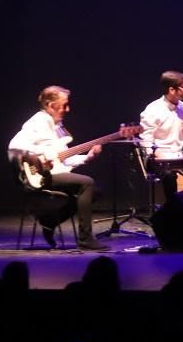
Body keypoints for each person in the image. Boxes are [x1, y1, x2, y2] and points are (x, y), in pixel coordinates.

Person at [8, 85, 110, 251]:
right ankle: (85, 239)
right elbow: (14, 146)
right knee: (87, 183)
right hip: (38, 175)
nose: (67, 109)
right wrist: (41, 156)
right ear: (49, 105)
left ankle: (49, 221)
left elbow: (62, 159)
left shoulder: (58, 128)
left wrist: (88, 157)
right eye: (64, 105)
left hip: (53, 173)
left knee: (95, 191)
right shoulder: (37, 122)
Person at [139, 71, 183, 195]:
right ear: (172, 90)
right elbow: (145, 140)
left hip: (179, 156)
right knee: (169, 175)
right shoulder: (153, 109)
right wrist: (158, 155)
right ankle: (173, 210)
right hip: (158, 159)